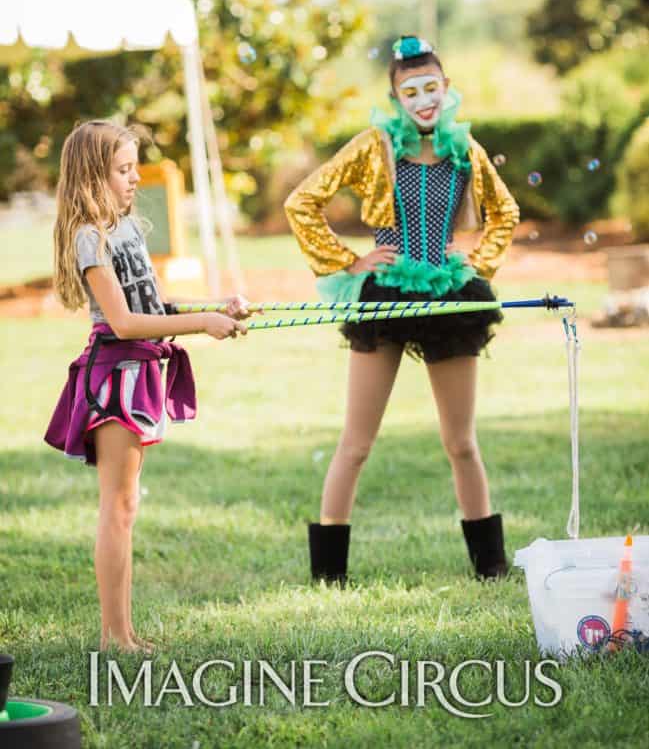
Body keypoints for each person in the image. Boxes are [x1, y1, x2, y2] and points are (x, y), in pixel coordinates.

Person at [285, 35, 519, 584]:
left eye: (430, 88)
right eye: (409, 92)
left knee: (461, 442)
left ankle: (490, 565)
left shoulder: (464, 150)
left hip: (449, 296)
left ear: (446, 88)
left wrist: (478, 264)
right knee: (356, 443)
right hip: (388, 293)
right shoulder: (375, 146)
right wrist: (350, 260)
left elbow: (504, 211)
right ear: (395, 99)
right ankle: (328, 575)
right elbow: (302, 202)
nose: (422, 100)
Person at [45, 120, 250, 652]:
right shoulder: (89, 236)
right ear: (94, 176)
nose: (135, 178)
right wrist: (202, 325)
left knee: (127, 505)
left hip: (140, 373)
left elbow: (154, 307)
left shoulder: (127, 228)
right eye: (123, 169)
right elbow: (124, 323)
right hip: (114, 378)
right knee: (117, 508)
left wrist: (216, 309)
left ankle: (124, 631)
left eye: (134, 167)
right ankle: (114, 637)